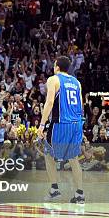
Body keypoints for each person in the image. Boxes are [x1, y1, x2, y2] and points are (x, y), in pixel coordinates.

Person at [38, 56, 85, 204]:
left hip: (60, 123)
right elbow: (81, 106)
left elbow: (50, 101)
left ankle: (54, 190)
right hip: (76, 123)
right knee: (73, 158)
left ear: (57, 66)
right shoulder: (77, 83)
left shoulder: (53, 79)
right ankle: (79, 194)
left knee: (48, 154)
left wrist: (41, 124)